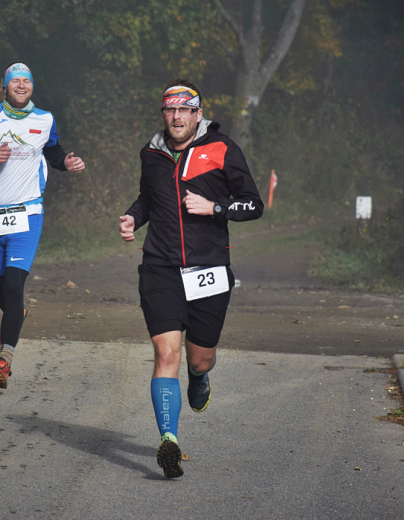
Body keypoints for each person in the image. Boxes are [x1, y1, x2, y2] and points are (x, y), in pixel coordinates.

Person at [119, 79, 263, 478]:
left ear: (198, 113)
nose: (177, 116)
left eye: (185, 109)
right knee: (167, 354)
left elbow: (253, 204)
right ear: (163, 114)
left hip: (209, 270)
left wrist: (214, 207)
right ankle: (169, 440)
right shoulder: (151, 153)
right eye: (170, 109)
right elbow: (149, 197)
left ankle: (199, 379)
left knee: (200, 358)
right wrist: (134, 216)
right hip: (160, 267)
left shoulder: (221, 148)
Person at [0, 62, 85, 389]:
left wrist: (65, 163)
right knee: (1, 293)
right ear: (6, 87)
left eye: (27, 81)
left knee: (14, 286)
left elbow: (53, 150)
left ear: (32, 87)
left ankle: (4, 361)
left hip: (28, 214)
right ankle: (17, 313)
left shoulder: (45, 119)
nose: (22, 85)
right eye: (16, 81)